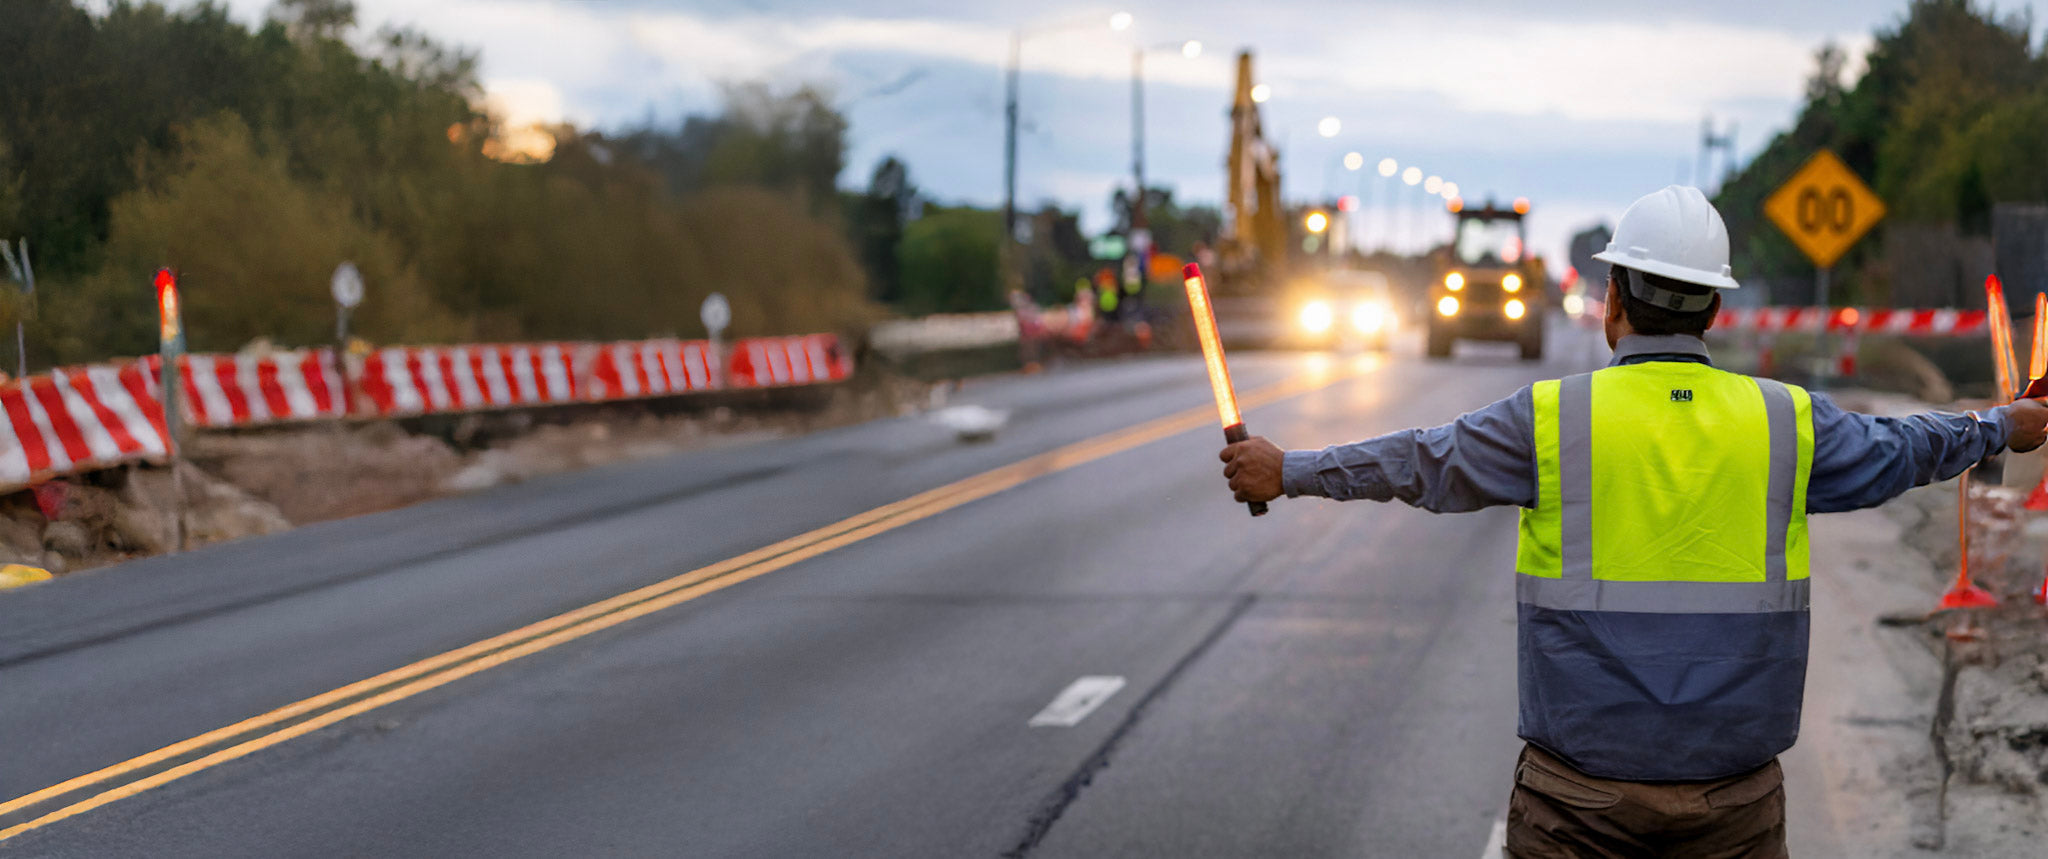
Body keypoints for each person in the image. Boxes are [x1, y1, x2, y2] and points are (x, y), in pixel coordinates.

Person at [1217, 185, 2048, 858]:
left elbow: (1420, 460)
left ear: (1614, 298)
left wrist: (1288, 470)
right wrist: (2001, 425)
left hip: (1575, 807)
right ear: (1715, 312)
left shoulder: (1552, 418)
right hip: (1735, 805)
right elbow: (1904, 446)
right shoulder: (1786, 421)